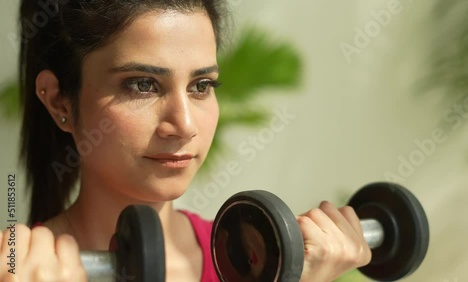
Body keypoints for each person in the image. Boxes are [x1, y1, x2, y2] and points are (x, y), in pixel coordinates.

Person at [0, 0, 372, 281]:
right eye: (142, 85)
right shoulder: (15, 266)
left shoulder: (251, 263)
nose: (184, 124)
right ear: (58, 100)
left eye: (201, 86)